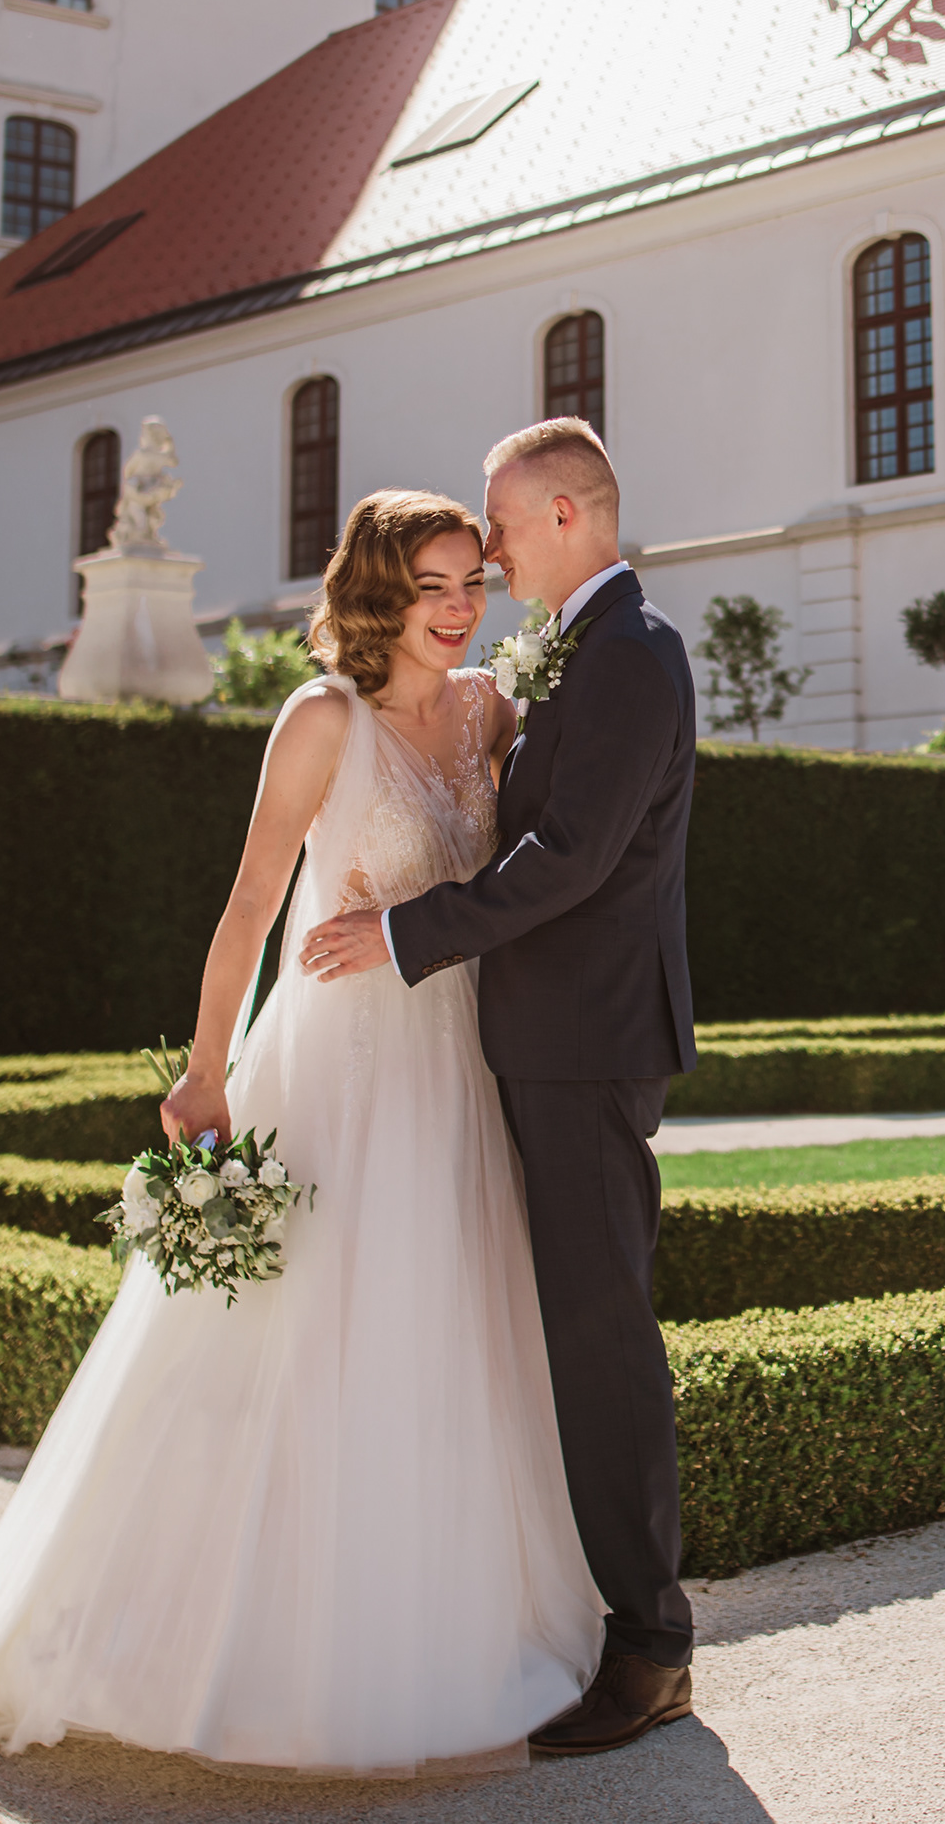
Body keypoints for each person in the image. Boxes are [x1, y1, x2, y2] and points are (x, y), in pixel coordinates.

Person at [0, 490, 601, 1778]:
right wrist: (207, 1073)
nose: (457, 608)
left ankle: (441, 1622)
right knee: (293, 1336)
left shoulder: (488, 711)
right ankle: (234, 1640)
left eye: (470, 583)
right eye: (431, 585)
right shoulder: (322, 718)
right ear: (377, 593)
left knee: (444, 1325)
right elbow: (252, 905)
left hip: (453, 1064)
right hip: (336, 1067)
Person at [300, 414, 703, 1756]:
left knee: (600, 1338)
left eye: (503, 528)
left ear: (566, 518)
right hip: (548, 1037)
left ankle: (651, 1648)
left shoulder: (631, 652)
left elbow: (573, 857)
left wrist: (408, 935)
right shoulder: (580, 649)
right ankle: (604, 1619)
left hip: (587, 1043)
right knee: (568, 1336)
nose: (491, 555)